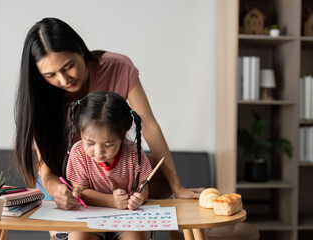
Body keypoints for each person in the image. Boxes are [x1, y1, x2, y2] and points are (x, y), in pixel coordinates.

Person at [14, 17, 203, 209]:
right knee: (68, 235)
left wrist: (177, 186)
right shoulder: (40, 97)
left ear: (80, 50)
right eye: (50, 75)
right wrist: (59, 192)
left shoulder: (117, 67)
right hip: (69, 182)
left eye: (68, 66)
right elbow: (46, 171)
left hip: (115, 175)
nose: (64, 80)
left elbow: (148, 124)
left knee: (160, 180)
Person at [63, 91, 151, 240]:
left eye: (108, 144)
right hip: (89, 215)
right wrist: (111, 201)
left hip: (126, 216)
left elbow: (144, 186)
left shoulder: (133, 153)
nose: (98, 152)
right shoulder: (78, 153)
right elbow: (82, 192)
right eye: (90, 143)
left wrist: (140, 197)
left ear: (122, 135)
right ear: (80, 133)